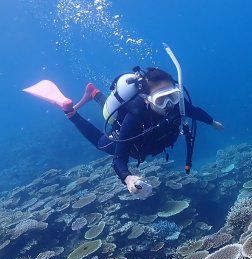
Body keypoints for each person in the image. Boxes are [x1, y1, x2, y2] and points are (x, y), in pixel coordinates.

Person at [24, 67, 223, 194]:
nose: (169, 104)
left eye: (173, 96)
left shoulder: (178, 104)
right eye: (161, 100)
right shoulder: (134, 116)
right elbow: (118, 159)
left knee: (107, 108)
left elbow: (194, 111)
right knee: (101, 143)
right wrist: (127, 178)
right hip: (134, 143)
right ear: (146, 99)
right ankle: (70, 112)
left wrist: (212, 122)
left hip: (151, 143)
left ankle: (95, 93)